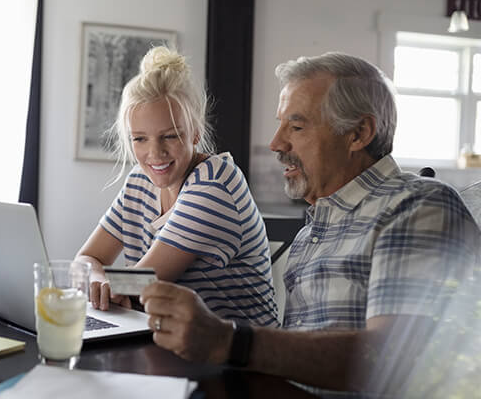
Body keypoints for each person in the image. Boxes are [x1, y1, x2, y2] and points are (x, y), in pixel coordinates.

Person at [139, 52, 481, 392]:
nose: (276, 143)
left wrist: (230, 341)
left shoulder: (416, 204)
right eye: (280, 123)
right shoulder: (313, 230)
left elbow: (393, 357)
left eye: (297, 126)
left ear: (358, 133)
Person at [75, 46, 279, 327]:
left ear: (195, 132)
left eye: (169, 136)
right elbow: (86, 259)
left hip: (238, 358)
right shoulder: (138, 182)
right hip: (168, 342)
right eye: (139, 139)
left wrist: (108, 283)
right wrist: (96, 278)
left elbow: (140, 283)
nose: (154, 153)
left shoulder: (214, 185)